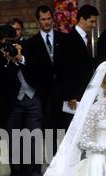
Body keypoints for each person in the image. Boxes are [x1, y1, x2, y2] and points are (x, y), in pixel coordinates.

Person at [0, 25, 43, 176]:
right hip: (12, 102)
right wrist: (9, 62)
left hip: (32, 98)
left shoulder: (27, 49)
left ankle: (34, 174)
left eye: (11, 41)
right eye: (5, 42)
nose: (8, 45)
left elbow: (38, 69)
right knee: (14, 141)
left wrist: (20, 58)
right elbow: (0, 84)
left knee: (35, 137)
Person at [25, 5, 68, 157]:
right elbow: (29, 70)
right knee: (48, 130)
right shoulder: (31, 44)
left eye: (49, 18)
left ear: (53, 19)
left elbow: (70, 66)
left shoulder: (64, 39)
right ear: (38, 21)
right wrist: (39, 89)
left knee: (64, 130)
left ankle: (64, 163)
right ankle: (52, 165)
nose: (46, 22)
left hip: (63, 93)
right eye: (43, 19)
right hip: (44, 94)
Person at [62, 4, 99, 122]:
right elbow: (66, 69)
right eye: (91, 21)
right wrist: (70, 95)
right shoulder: (70, 39)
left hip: (85, 93)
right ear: (82, 19)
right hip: (75, 97)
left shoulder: (85, 38)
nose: (94, 25)